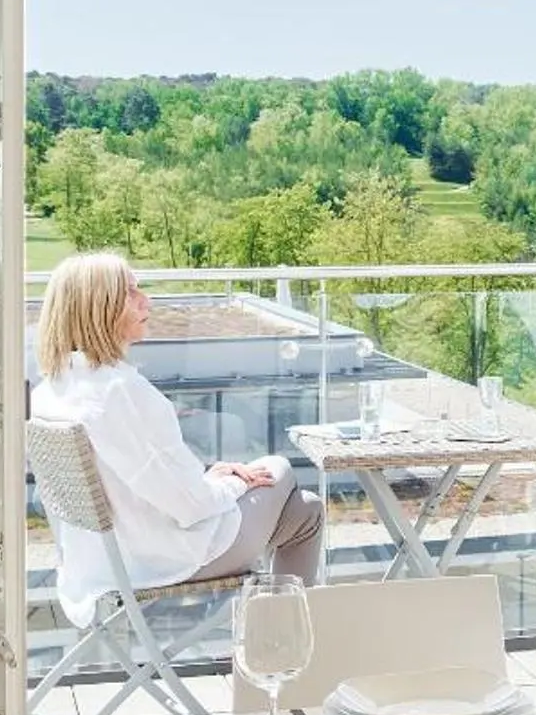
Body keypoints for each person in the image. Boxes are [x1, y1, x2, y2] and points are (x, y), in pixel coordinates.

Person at [31, 250, 325, 629]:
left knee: (306, 510)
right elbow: (191, 506)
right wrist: (234, 481)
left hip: (97, 565)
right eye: (131, 292)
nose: (145, 301)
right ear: (97, 307)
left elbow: (148, 485)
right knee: (278, 468)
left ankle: (275, 647)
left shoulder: (52, 389)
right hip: (160, 563)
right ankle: (282, 648)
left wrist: (214, 477)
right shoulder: (119, 392)